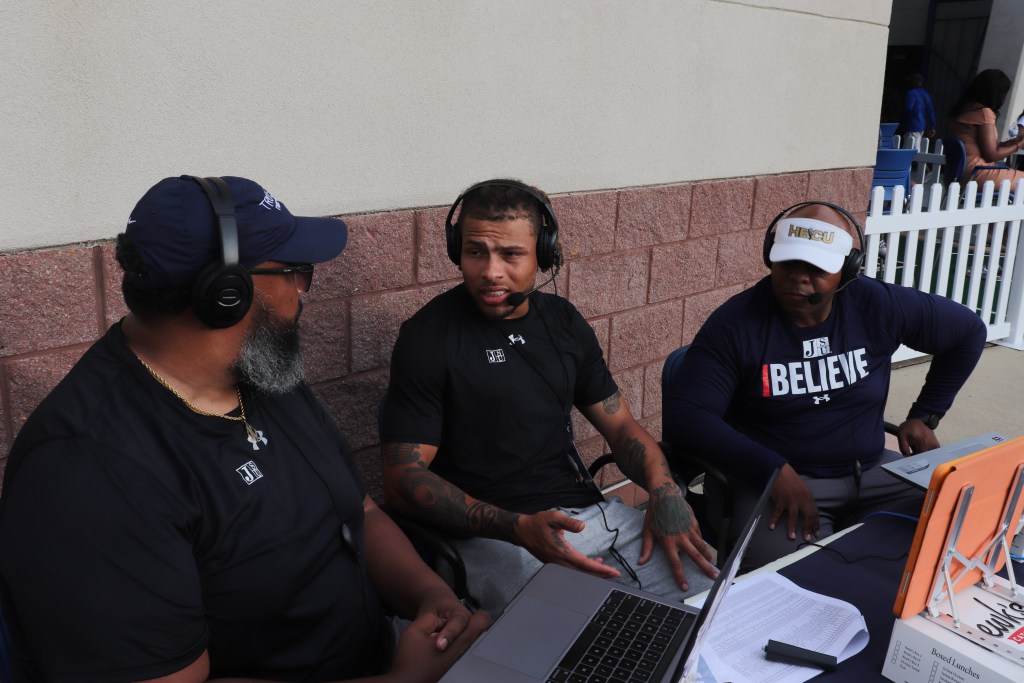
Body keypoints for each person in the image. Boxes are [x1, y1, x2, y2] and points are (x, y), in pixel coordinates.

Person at [0, 175, 488, 682]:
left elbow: (356, 510)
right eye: (297, 272)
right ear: (226, 292)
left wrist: (431, 596)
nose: (303, 290)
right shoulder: (89, 470)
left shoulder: (262, 371)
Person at [380, 179, 718, 616]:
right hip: (494, 535)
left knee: (708, 598)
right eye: (475, 251)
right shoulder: (427, 338)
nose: (490, 271)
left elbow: (620, 425)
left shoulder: (563, 322)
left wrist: (663, 489)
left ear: (543, 254)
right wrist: (517, 528)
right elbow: (403, 480)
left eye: (511, 254)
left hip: (588, 516)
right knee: (573, 637)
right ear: (455, 249)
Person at [663, 201, 987, 570]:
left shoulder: (876, 304)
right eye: (788, 264)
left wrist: (925, 414)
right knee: (788, 585)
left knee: (959, 529)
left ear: (846, 271)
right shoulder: (736, 324)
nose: (798, 278)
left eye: (816, 269)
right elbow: (687, 416)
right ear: (771, 257)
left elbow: (967, 332)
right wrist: (772, 468)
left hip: (872, 469)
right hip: (781, 482)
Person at [948, 68, 1024, 186]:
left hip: (958, 173)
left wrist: (1012, 143)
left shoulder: (963, 109)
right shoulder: (984, 113)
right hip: (978, 172)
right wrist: (1018, 145)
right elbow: (991, 155)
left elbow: (984, 147)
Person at [899, 73, 936, 152]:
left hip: (912, 125)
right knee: (913, 147)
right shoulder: (925, 94)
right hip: (921, 125)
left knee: (911, 150)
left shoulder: (911, 93)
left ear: (913, 82)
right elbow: (931, 111)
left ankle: (923, 164)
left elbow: (908, 108)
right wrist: (932, 126)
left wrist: (900, 117)